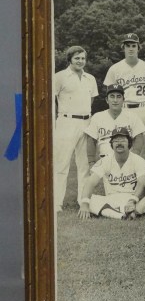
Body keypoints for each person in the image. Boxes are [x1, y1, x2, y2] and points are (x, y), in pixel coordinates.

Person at [53, 45, 98, 213]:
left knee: (84, 164)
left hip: (86, 122)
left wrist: (83, 117)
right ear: (70, 59)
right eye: (77, 58)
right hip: (66, 122)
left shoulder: (90, 78)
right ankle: (57, 202)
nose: (80, 61)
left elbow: (90, 101)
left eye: (83, 58)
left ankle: (82, 200)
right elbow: (52, 99)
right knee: (62, 164)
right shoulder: (60, 77)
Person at [77, 127, 145, 220]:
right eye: (115, 141)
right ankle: (122, 215)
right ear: (111, 144)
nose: (119, 143)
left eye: (122, 140)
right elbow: (91, 181)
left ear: (129, 143)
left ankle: (118, 212)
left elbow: (142, 181)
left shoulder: (138, 160)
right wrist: (85, 204)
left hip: (131, 198)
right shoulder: (105, 160)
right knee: (83, 199)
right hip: (111, 198)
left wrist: (133, 200)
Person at [103, 33, 145, 126]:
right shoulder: (114, 69)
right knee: (122, 139)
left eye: (133, 46)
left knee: (142, 140)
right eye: (127, 46)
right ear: (123, 48)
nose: (131, 49)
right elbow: (109, 95)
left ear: (138, 48)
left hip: (142, 109)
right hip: (123, 109)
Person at [85, 84, 145, 163]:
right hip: (104, 160)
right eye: (112, 96)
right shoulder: (97, 117)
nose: (115, 100)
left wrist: (134, 157)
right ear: (107, 100)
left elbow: (139, 137)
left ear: (123, 99)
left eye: (118, 96)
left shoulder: (132, 116)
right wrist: (91, 162)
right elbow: (91, 140)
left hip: (126, 160)